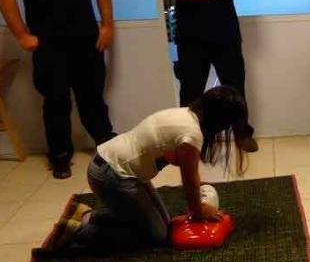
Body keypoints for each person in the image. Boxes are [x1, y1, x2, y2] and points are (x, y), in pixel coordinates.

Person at [0, 0, 116, 179]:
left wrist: (107, 25)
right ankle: (60, 156)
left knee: (93, 97)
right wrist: (22, 35)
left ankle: (107, 146)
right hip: (49, 43)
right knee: (56, 101)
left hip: (86, 39)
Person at [53, 86, 248, 250]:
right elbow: (189, 181)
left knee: (165, 223)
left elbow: (180, 164)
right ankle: (77, 232)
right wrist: (199, 211)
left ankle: (87, 216)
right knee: (155, 237)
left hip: (112, 166)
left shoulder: (184, 115)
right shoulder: (192, 135)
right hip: (113, 175)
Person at [167, 0, 258, 153]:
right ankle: (187, 139)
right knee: (191, 91)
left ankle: (242, 133)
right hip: (192, 38)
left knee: (236, 87)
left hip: (226, 34)